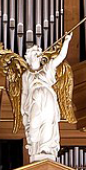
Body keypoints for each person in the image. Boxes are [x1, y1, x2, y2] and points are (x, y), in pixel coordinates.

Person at [20, 33, 74, 162]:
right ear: (28, 57)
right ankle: (35, 149)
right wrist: (23, 111)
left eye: (38, 51)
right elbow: (25, 93)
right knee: (33, 126)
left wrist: (66, 41)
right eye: (34, 52)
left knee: (48, 124)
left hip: (47, 98)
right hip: (34, 100)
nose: (37, 53)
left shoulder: (47, 69)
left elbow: (60, 57)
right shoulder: (26, 75)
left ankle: (46, 150)